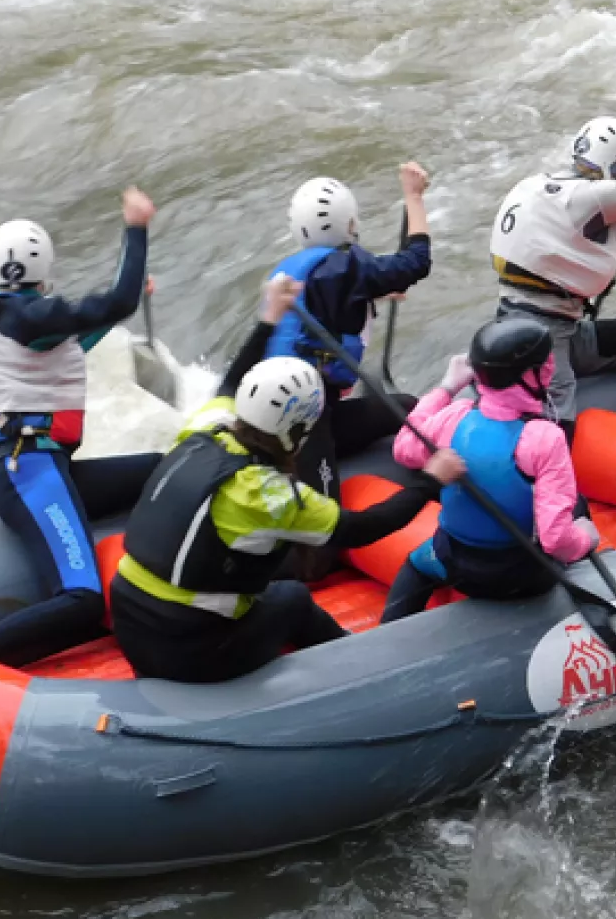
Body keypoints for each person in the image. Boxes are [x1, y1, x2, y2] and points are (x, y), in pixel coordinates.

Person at [111, 277, 467, 683]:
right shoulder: (268, 495)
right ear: (296, 433)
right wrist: (429, 480)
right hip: (187, 649)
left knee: (273, 589)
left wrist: (268, 320)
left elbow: (229, 381)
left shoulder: (202, 432)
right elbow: (362, 528)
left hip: (130, 626)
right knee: (293, 600)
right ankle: (367, 676)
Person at [0, 188, 164, 666]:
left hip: (34, 469)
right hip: (30, 472)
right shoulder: (31, 316)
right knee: (83, 601)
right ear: (44, 269)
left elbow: (60, 351)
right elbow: (119, 301)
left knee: (158, 468)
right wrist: (136, 228)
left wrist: (110, 316)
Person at [266, 165, 434, 578]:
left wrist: (373, 295)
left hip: (293, 408)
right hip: (301, 418)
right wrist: (413, 196)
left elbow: (331, 304)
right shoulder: (344, 267)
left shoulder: (291, 270)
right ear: (349, 223)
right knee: (321, 554)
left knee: (408, 408)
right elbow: (417, 261)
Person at [380, 317, 599, 622]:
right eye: (546, 362)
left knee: (417, 563)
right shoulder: (544, 437)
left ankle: (388, 631)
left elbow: (405, 445)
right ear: (532, 374)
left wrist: (447, 386)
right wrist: (587, 539)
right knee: (576, 504)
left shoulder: (455, 416)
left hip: (453, 563)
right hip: (523, 579)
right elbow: (555, 539)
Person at [490, 109, 616, 434]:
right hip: (545, 334)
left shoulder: (534, 184)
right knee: (557, 425)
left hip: (522, 320)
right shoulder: (595, 196)